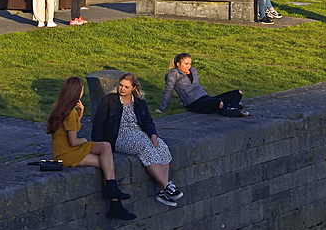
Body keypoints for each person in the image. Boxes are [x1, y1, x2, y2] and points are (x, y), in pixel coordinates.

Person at [46, 76, 135, 220]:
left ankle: (113, 197)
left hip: (63, 151)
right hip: (68, 153)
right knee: (107, 164)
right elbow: (74, 141)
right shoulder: (70, 112)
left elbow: (66, 130)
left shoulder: (60, 107)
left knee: (105, 148)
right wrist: (85, 139)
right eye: (81, 89)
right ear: (76, 91)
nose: (82, 91)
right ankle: (115, 202)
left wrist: (79, 117)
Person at [92, 72, 182, 207]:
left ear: (134, 88)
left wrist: (153, 135)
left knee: (161, 146)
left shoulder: (139, 102)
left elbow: (148, 121)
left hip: (138, 132)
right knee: (143, 146)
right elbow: (98, 123)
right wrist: (98, 144)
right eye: (121, 85)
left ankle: (163, 191)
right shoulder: (109, 100)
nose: (122, 89)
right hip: (118, 136)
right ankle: (166, 185)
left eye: (126, 87)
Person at [157, 53, 249, 117]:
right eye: (186, 64)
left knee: (237, 93)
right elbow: (168, 92)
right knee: (218, 102)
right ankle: (231, 109)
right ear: (178, 64)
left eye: (189, 64)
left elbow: (197, 86)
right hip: (194, 103)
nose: (188, 66)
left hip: (205, 97)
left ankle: (232, 109)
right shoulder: (173, 75)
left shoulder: (193, 70)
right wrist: (162, 109)